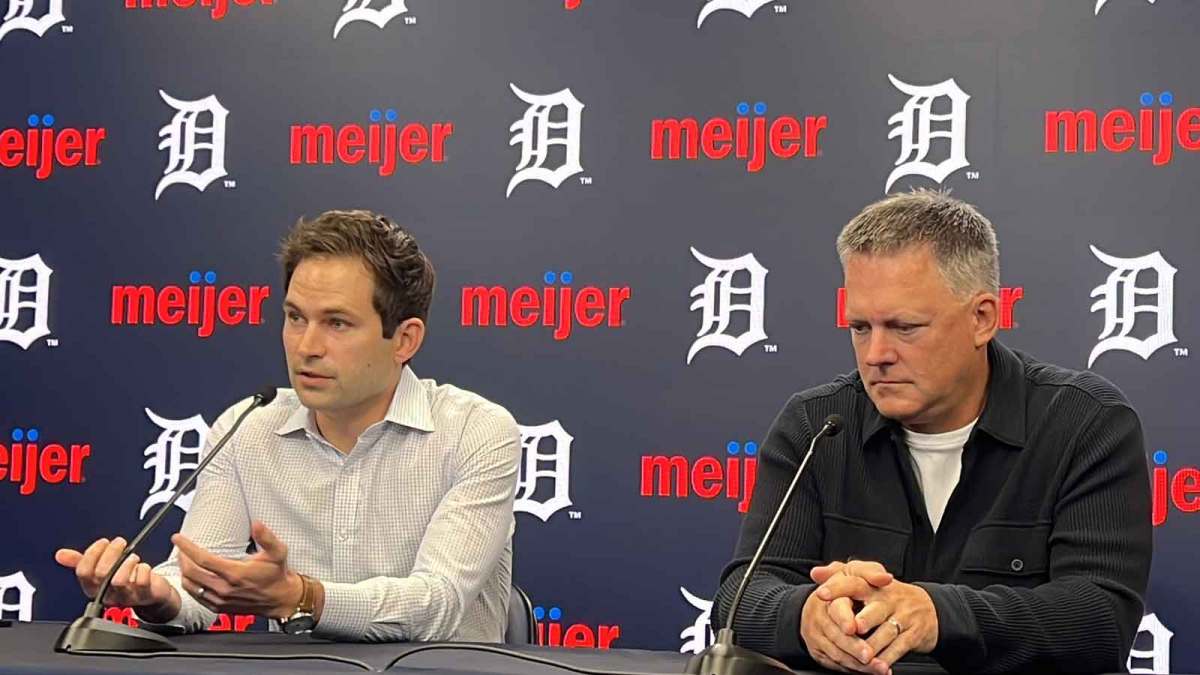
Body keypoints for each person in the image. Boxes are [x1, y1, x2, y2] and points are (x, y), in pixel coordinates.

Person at [712, 189, 1152, 674]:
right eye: (860, 327)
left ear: (982, 318)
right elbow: (739, 601)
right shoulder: (817, 427)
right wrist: (807, 617)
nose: (876, 355)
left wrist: (939, 615)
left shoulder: (1085, 423)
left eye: (905, 327)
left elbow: (1100, 618)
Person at [55, 210, 522, 642]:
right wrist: (157, 596)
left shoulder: (476, 433)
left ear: (404, 339)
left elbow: (437, 605)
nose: (306, 346)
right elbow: (198, 583)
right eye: (296, 317)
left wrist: (302, 597)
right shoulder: (247, 428)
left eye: (337, 323)